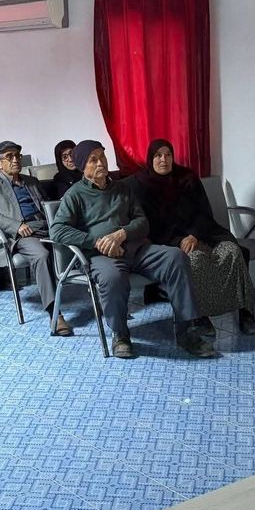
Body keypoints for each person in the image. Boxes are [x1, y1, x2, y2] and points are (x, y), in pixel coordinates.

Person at [49, 141, 215, 359]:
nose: (101, 163)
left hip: (136, 250)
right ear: (82, 166)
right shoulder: (75, 195)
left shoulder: (122, 188)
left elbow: (142, 222)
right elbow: (57, 230)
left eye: (102, 156)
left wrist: (121, 234)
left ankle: (186, 331)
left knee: (176, 257)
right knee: (112, 276)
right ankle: (120, 334)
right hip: (101, 256)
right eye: (93, 160)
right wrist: (96, 241)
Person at [127, 139, 255, 336]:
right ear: (150, 158)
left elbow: (204, 212)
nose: (164, 160)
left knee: (233, 252)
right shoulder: (139, 185)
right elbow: (148, 225)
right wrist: (178, 240)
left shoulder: (187, 177)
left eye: (168, 155)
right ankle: (199, 316)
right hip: (170, 240)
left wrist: (194, 234)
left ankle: (245, 312)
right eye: (158, 156)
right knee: (195, 260)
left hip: (203, 233)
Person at [0, 140, 61, 331]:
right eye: (10, 157)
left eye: (17, 156)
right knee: (41, 255)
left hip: (45, 226)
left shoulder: (31, 181)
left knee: (79, 241)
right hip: (20, 233)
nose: (15, 160)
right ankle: (55, 313)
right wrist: (16, 226)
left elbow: (46, 205)